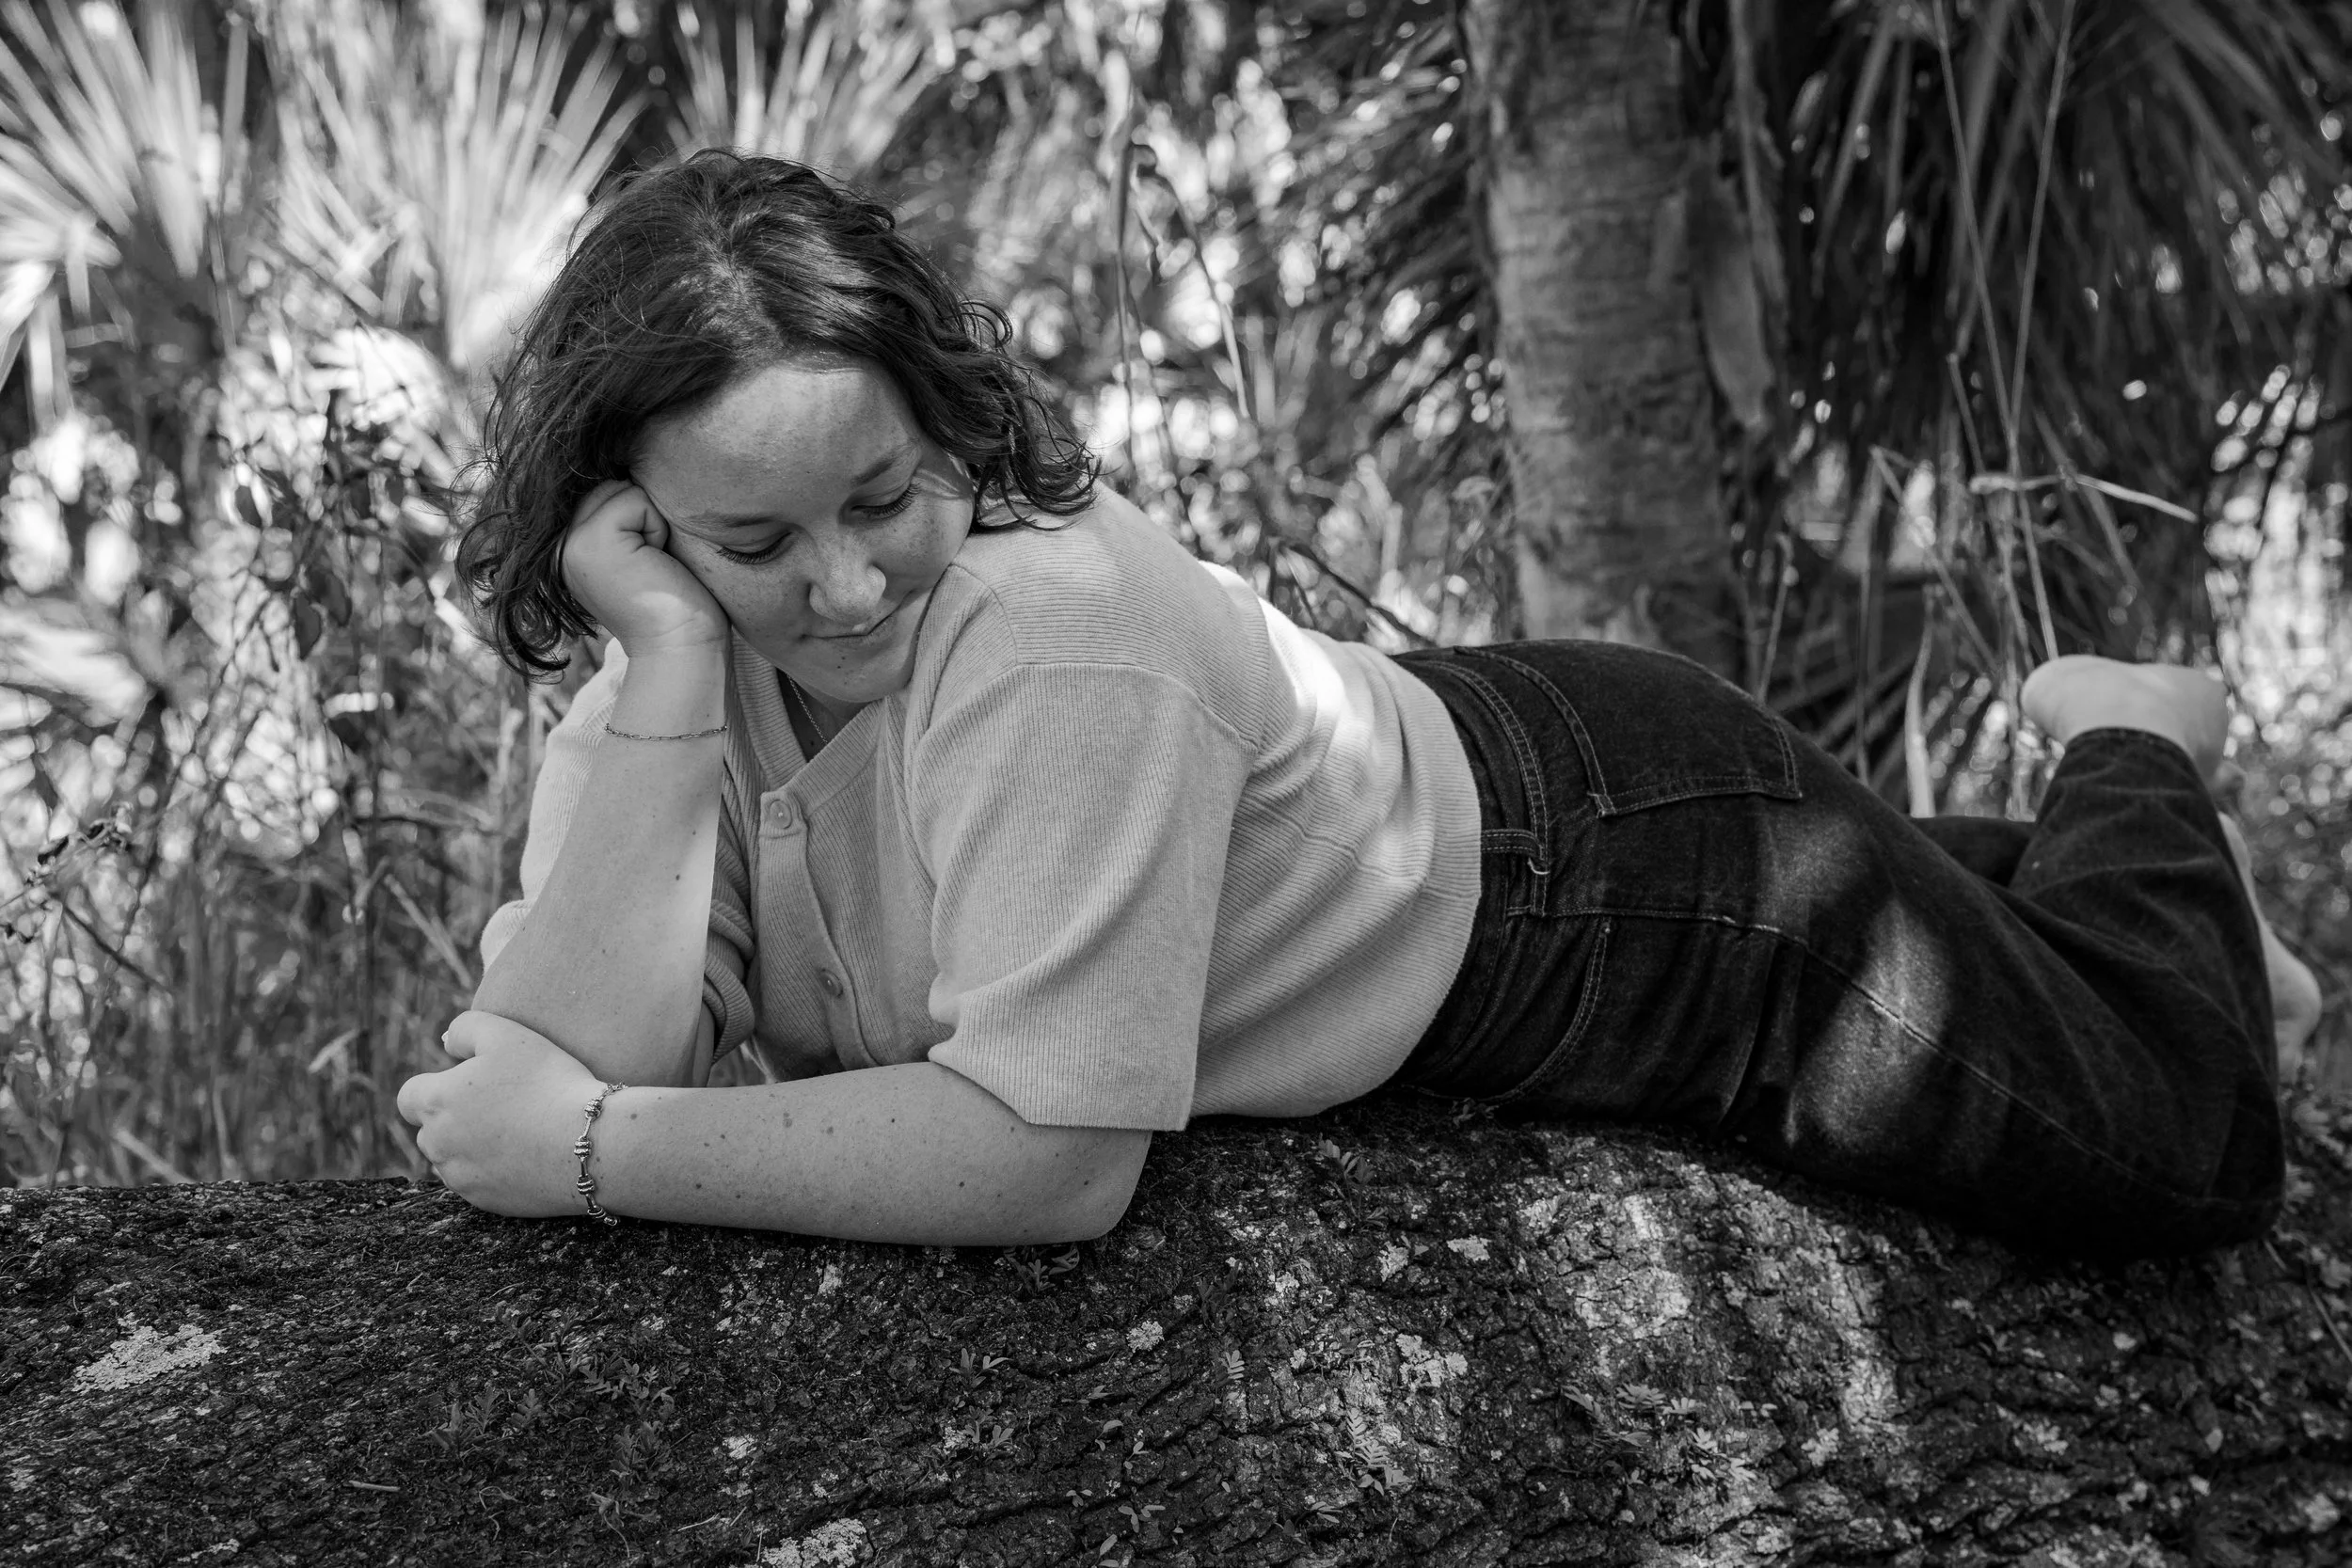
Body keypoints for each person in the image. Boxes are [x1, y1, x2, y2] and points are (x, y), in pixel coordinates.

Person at [396, 152, 2319, 1259]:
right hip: (1398, 802)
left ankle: (2129, 746)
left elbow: (1040, 1157)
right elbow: (546, 1053)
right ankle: (2122, 898)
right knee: (2088, 1016)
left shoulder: (1049, 632)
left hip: (1628, 888)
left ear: (943, 428)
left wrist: (602, 1153)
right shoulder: (686, 658)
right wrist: (656, 669)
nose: (835, 588)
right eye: (749, 542)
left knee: (2181, 1149)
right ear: (629, 519)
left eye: (880, 498)